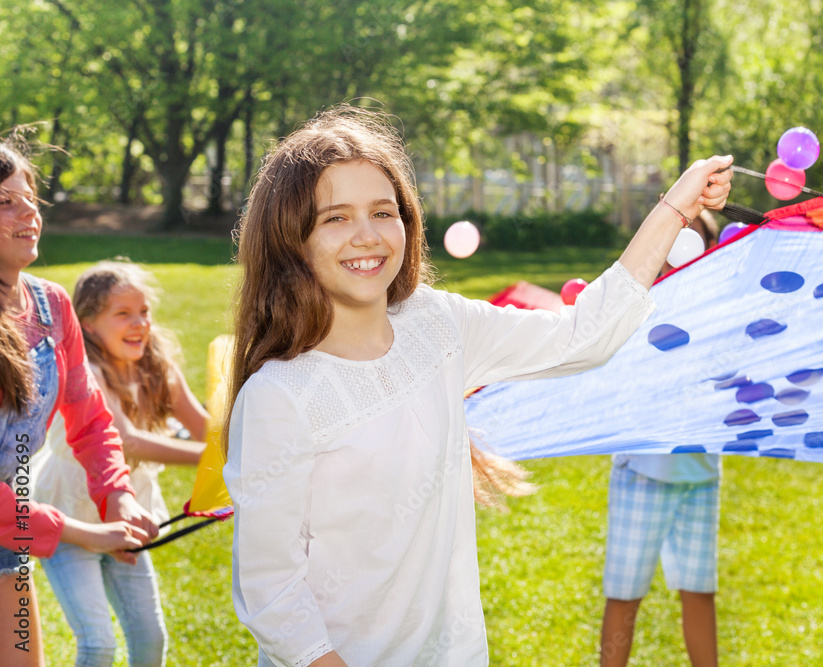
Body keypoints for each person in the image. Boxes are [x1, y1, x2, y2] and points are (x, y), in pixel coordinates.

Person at [221, 105, 732, 667]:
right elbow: (273, 592)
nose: (366, 236)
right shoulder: (279, 396)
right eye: (335, 218)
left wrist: (674, 209)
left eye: (383, 212)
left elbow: (585, 336)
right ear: (290, 239)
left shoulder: (437, 324)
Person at [0, 139, 159, 667]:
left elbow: (89, 419)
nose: (29, 213)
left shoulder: (51, 305)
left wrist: (117, 495)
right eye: (5, 202)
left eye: (30, 198)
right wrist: (84, 531)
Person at [31, 259, 208, 666]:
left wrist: (245, 449)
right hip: (71, 519)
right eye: (123, 314)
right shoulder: (86, 371)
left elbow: (207, 431)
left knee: (149, 639)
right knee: (98, 644)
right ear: (88, 325)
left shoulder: (159, 369)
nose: (139, 323)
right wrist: (211, 458)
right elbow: (126, 440)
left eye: (144, 312)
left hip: (128, 516)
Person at [599, 210, 723, 667]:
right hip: (644, 475)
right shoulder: (641, 306)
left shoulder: (716, 310)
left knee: (699, 590)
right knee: (625, 594)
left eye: (696, 241)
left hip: (701, 475)